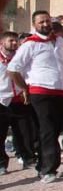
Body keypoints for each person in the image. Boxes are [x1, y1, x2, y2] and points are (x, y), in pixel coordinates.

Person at [7, 10, 63, 182]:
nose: (45, 24)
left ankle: (45, 164)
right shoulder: (30, 44)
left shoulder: (60, 42)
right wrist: (25, 88)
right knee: (47, 130)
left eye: (47, 21)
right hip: (40, 92)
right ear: (34, 24)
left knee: (56, 129)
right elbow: (13, 69)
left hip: (60, 91)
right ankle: (47, 169)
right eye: (41, 22)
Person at [0, 31, 38, 173]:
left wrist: (26, 90)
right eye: (11, 41)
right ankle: (1, 164)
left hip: (19, 98)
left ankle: (28, 158)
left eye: (16, 41)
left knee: (24, 131)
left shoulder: (21, 57)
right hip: (2, 99)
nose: (15, 43)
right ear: (2, 43)